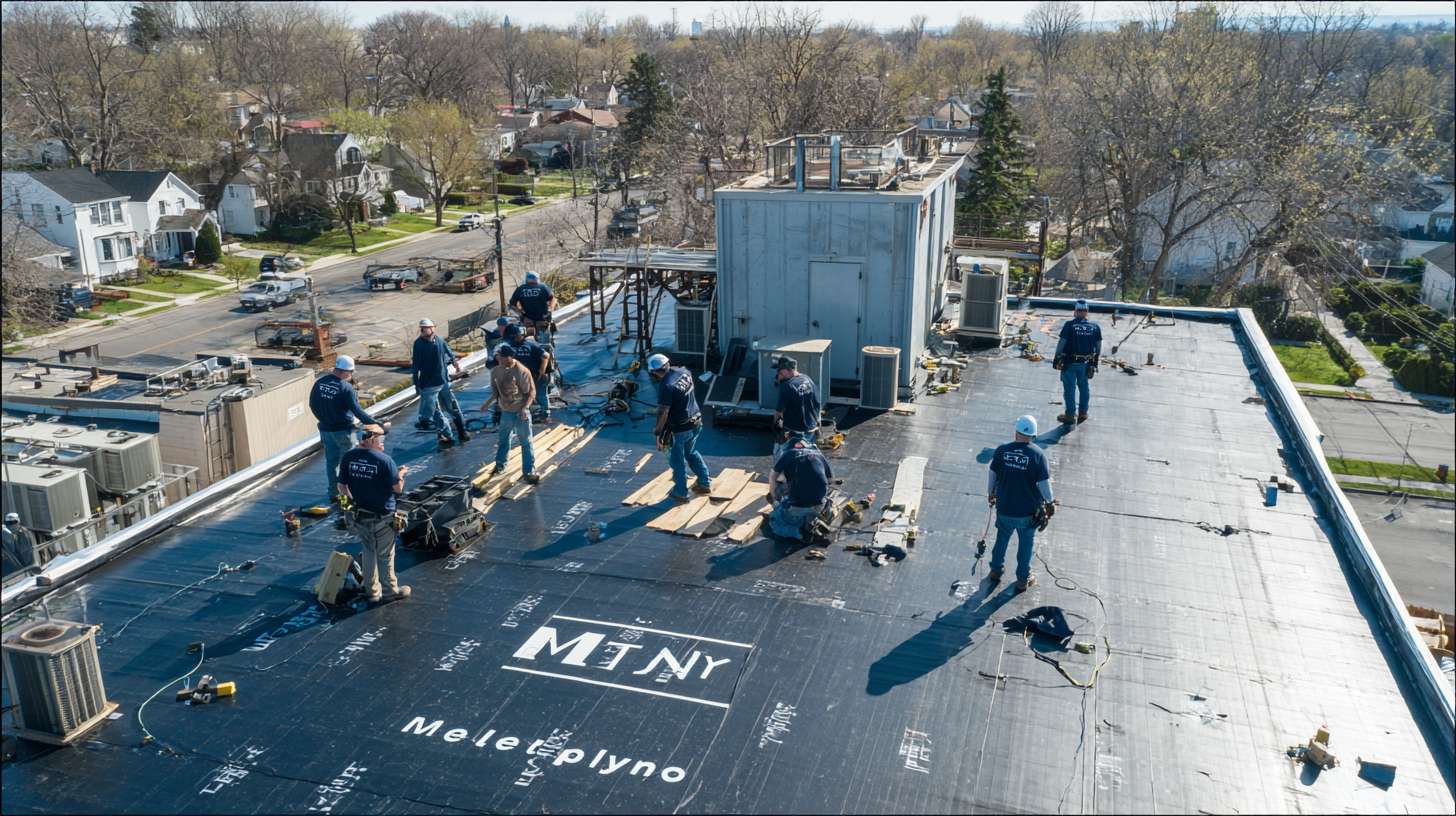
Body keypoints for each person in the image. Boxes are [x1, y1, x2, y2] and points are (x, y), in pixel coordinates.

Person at [337, 428, 411, 603]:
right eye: (380, 439)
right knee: (385, 555)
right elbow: (398, 489)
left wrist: (349, 507)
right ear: (370, 439)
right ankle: (390, 591)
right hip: (383, 517)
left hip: (361, 515)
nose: (383, 442)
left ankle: (371, 592)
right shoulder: (385, 461)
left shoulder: (349, 457)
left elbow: (341, 486)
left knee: (369, 552)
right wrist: (400, 475)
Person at [986, 414, 1055, 593]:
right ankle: (1023, 579)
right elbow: (1044, 485)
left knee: (1001, 539)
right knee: (1026, 544)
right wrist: (1050, 502)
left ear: (1016, 432)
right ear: (1033, 435)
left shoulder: (1001, 451)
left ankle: (995, 570)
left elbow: (992, 474)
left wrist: (990, 493)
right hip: (1027, 513)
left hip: (1005, 509)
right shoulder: (1038, 456)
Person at [309, 355, 385, 504]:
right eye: (350, 373)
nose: (351, 376)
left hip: (325, 431)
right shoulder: (345, 387)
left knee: (331, 463)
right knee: (347, 464)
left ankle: (334, 493)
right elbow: (357, 411)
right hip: (343, 431)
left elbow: (312, 405)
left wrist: (324, 420)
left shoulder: (320, 383)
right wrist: (374, 423)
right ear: (345, 371)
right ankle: (349, 495)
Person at [649, 353, 712, 501]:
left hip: (681, 428)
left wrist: (658, 431)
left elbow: (663, 411)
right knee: (691, 453)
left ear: (654, 372)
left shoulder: (666, 386)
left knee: (677, 459)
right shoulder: (684, 372)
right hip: (696, 421)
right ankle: (704, 482)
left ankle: (681, 492)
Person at [481, 344, 540, 484]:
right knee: (503, 439)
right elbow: (496, 393)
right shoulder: (496, 371)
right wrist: (487, 403)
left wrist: (524, 409)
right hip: (506, 411)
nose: (498, 359)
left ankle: (529, 471)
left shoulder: (521, 371)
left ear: (509, 357)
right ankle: (501, 465)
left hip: (520, 412)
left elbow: (530, 393)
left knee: (526, 442)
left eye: (500, 356)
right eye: (498, 356)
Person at [412, 318, 469, 446]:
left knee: (444, 409)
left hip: (438, 383)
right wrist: (416, 384)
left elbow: (449, 352)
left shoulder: (437, 340)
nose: (425, 330)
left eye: (427, 328)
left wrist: (456, 365)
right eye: (424, 328)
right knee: (442, 409)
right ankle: (454, 434)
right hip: (434, 383)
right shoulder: (421, 344)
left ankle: (456, 434)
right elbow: (415, 367)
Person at [768, 438, 832, 541]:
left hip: (799, 505)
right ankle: (818, 517)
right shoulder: (818, 454)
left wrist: (774, 498)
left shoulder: (789, 453)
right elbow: (829, 480)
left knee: (775, 521)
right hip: (820, 503)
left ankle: (801, 532)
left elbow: (773, 477)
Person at [770, 355, 821, 482]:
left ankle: (781, 487)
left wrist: (777, 427)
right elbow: (817, 403)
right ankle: (808, 482)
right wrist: (817, 423)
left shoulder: (786, 386)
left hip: (794, 432)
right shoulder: (807, 379)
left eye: (780, 372)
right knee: (810, 458)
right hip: (810, 430)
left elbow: (779, 413)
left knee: (780, 458)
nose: (778, 375)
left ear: (787, 370)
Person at [489, 324, 552, 423]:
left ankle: (545, 415)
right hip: (518, 379)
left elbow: (545, 355)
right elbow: (496, 355)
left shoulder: (530, 345)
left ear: (518, 335)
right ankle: (516, 415)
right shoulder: (506, 347)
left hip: (536, 376)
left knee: (540, 395)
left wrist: (542, 371)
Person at [1053, 299, 1102, 425]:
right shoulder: (1095, 327)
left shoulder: (1069, 325)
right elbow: (1098, 346)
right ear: (1087, 312)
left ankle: (1070, 415)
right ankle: (1083, 413)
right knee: (1084, 387)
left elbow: (1062, 343)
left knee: (1069, 389)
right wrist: (1094, 362)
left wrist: (1057, 357)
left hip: (1069, 363)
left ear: (1075, 312)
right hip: (1085, 363)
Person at [509, 271, 557, 348]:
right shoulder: (543, 287)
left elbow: (512, 305)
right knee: (544, 346)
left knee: (526, 345)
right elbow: (553, 299)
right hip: (542, 320)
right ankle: (546, 357)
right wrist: (550, 310)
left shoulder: (520, 289)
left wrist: (522, 315)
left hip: (528, 321)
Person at [2, 512, 37, 577]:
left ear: (18, 522)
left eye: (13, 522)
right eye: (8, 523)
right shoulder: (7, 534)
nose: (11, 525)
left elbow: (25, 554)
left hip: (25, 570)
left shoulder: (23, 534)